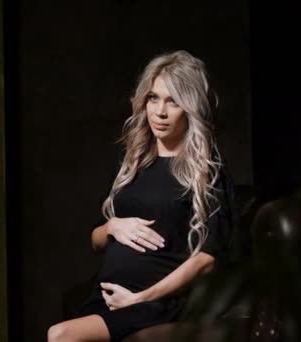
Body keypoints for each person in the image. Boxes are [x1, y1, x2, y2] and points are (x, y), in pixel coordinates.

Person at [47, 50, 236, 342]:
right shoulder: (131, 162)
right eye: (154, 98)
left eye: (173, 101)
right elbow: (96, 241)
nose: (160, 112)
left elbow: (207, 260)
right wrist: (112, 227)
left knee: (61, 335)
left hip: (156, 302)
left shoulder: (206, 172)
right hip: (108, 297)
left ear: (190, 107)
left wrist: (142, 298)